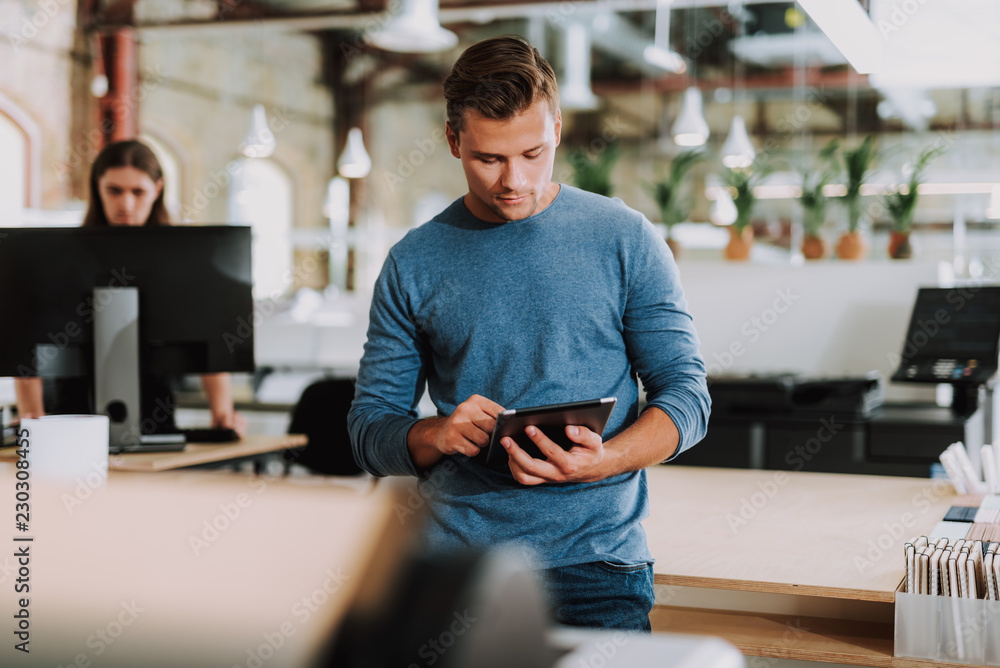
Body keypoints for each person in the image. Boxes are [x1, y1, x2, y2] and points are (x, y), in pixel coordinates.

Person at [348, 35, 710, 632]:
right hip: (453, 564)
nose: (513, 179)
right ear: (452, 141)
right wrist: (438, 433)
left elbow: (687, 398)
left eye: (533, 153)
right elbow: (368, 431)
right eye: (488, 159)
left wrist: (606, 460)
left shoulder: (625, 238)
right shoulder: (412, 262)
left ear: (558, 131)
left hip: (595, 566)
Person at [14, 139, 245, 436]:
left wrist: (222, 413)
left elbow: (209, 340)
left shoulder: (181, 258)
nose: (126, 204)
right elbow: (28, 339)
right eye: (114, 191)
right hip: (69, 417)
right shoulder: (63, 256)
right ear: (97, 187)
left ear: (157, 189)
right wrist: (32, 417)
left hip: (154, 417)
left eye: (138, 192)